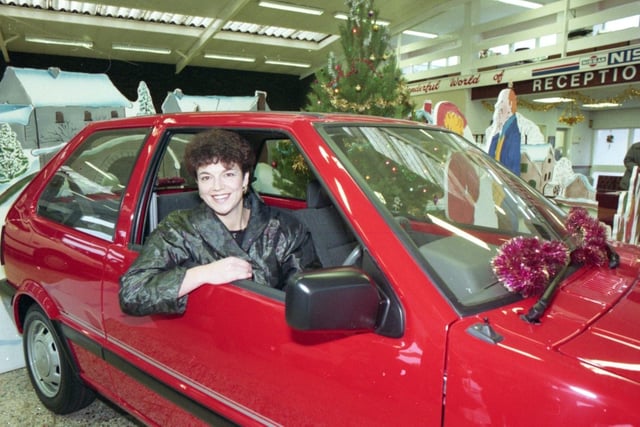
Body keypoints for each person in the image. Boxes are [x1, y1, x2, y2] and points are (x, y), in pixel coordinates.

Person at [119, 129, 318, 316]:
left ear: (245, 179)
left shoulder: (286, 229)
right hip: (205, 341)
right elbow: (132, 293)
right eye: (206, 177)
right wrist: (202, 274)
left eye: (228, 174)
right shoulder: (178, 229)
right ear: (198, 184)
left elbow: (311, 297)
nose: (217, 187)